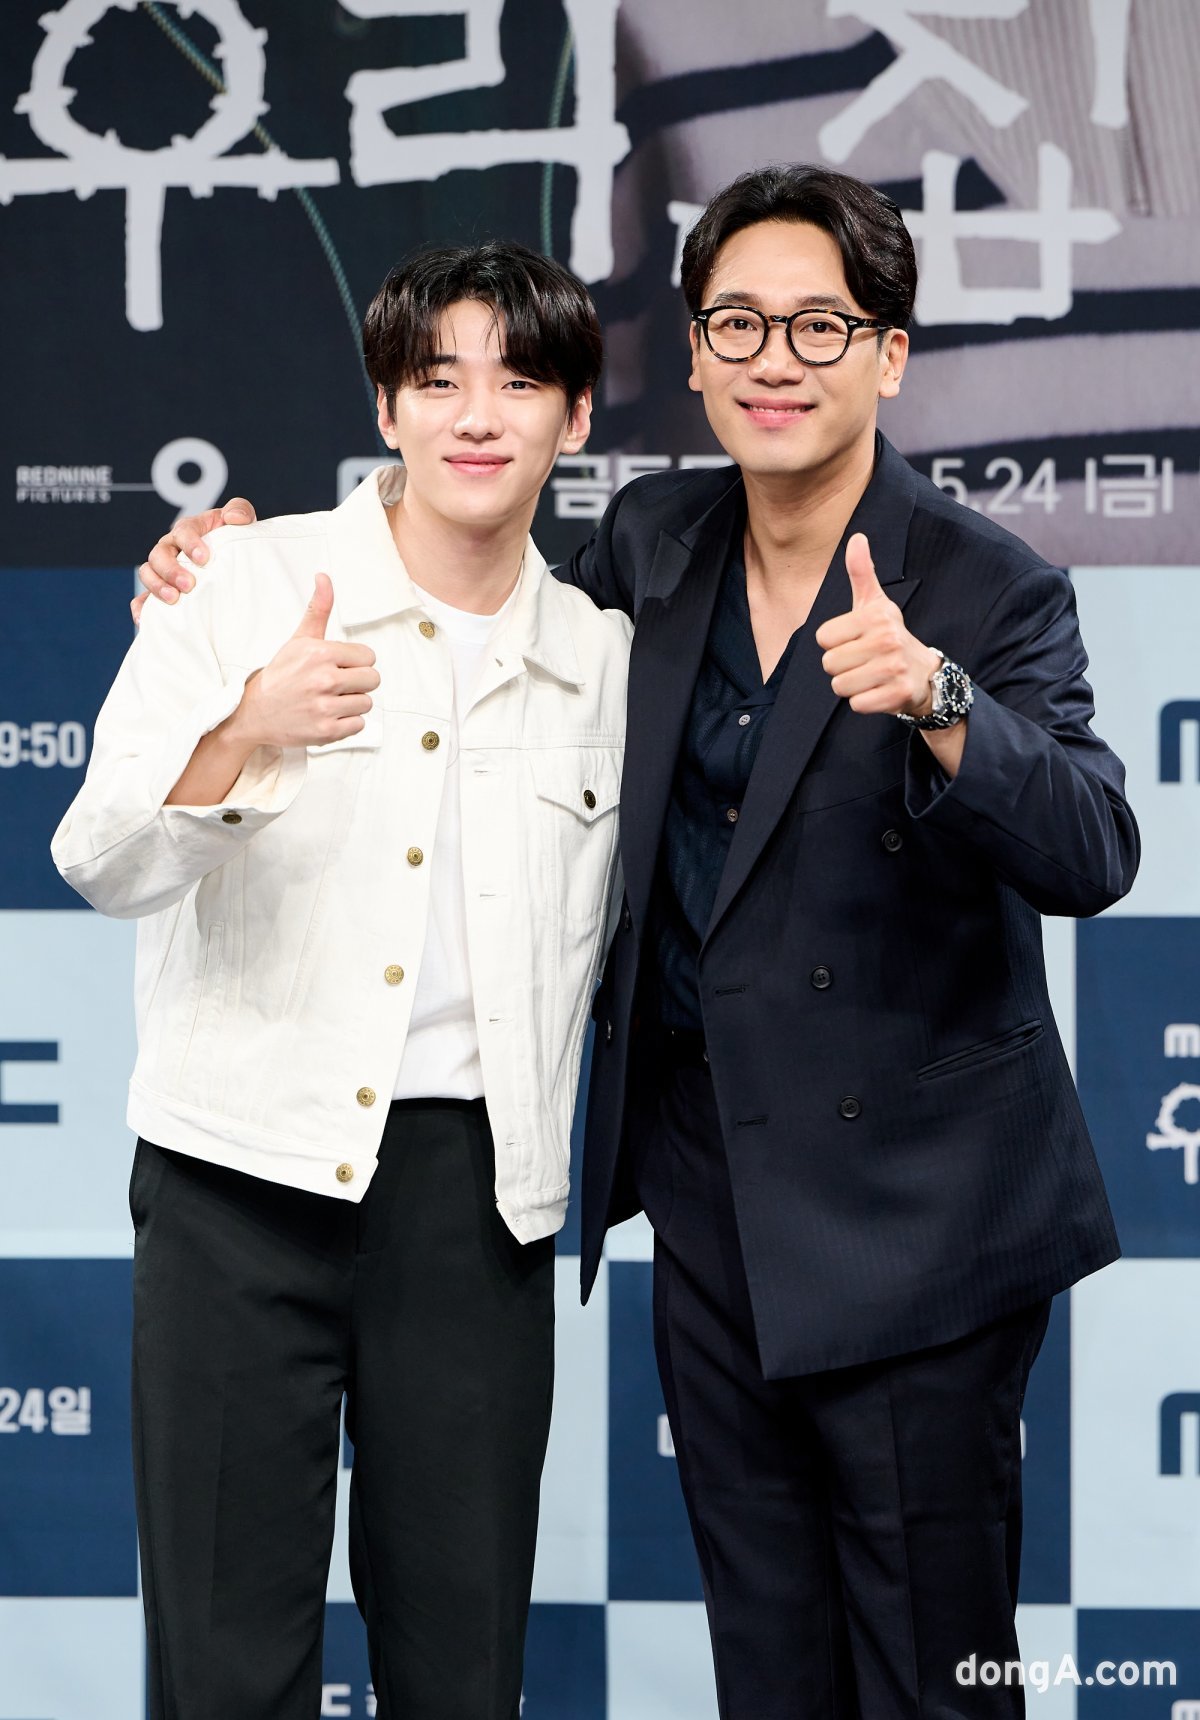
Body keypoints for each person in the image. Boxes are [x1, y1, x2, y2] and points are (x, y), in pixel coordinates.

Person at [140, 166, 1138, 1720]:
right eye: (738, 323)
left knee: (938, 1676)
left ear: (890, 354)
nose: (775, 359)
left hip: (920, 1227)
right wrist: (219, 578)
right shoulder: (653, 547)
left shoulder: (987, 585)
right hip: (717, 1216)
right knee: (769, 1666)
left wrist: (943, 701)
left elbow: (1094, 845)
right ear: (694, 355)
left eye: (820, 325)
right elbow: (473, 602)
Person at [54, 240, 631, 1720]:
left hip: (475, 1201)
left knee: (463, 1672)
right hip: (236, 1183)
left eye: (521, 381)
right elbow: (98, 855)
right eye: (438, 380)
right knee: (223, 1671)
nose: (477, 415)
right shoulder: (244, 581)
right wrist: (245, 727)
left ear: (575, 418)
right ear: (386, 407)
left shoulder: (605, 656)